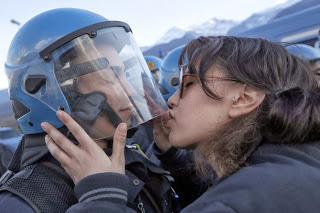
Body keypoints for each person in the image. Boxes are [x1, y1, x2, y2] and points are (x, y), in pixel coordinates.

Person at [44, 36, 320, 213]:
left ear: (243, 99)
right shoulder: (291, 162)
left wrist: (101, 196)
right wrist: (176, 161)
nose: (171, 101)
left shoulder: (236, 203)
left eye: (188, 85)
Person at [0, 8, 180, 213]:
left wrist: (173, 158)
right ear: (53, 93)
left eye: (124, 75)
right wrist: (103, 201)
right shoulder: (21, 204)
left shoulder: (125, 158)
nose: (129, 91)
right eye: (110, 77)